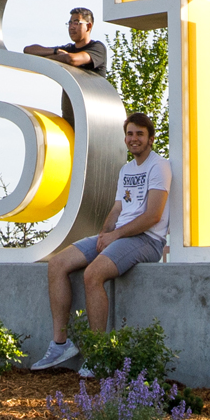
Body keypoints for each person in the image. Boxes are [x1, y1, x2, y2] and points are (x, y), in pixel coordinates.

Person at [28, 112, 174, 374]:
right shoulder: (126, 170)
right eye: (130, 133)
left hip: (146, 239)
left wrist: (115, 236)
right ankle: (60, 344)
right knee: (58, 264)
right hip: (120, 235)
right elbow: (118, 208)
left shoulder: (159, 166)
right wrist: (103, 235)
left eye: (140, 134)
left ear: (151, 138)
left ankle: (99, 354)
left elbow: (153, 215)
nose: (134, 139)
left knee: (93, 274)